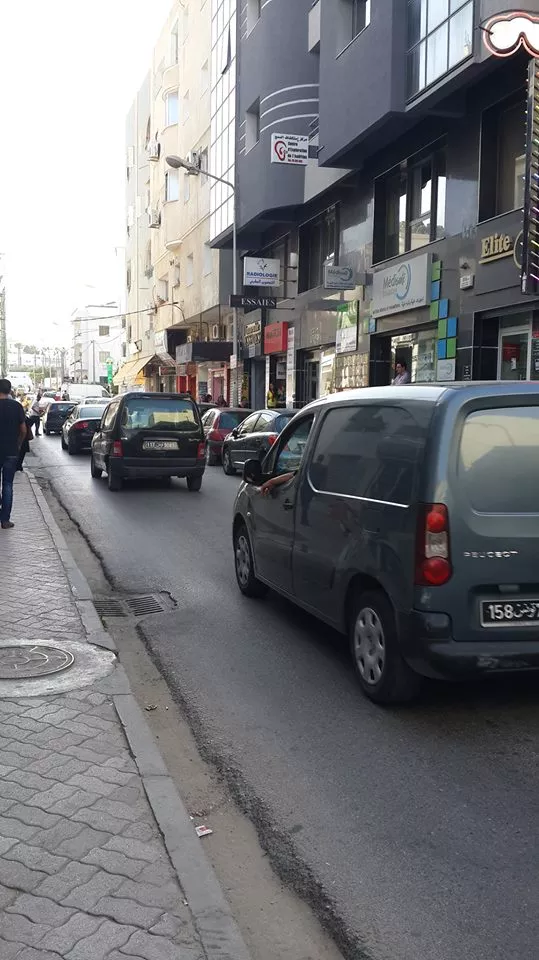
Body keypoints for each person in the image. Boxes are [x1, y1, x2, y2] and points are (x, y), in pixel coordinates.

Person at [0, 379, 27, 529]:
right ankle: (5, 520)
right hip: (11, 451)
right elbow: (23, 430)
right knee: (8, 484)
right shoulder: (16, 406)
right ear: (10, 390)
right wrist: (18, 444)